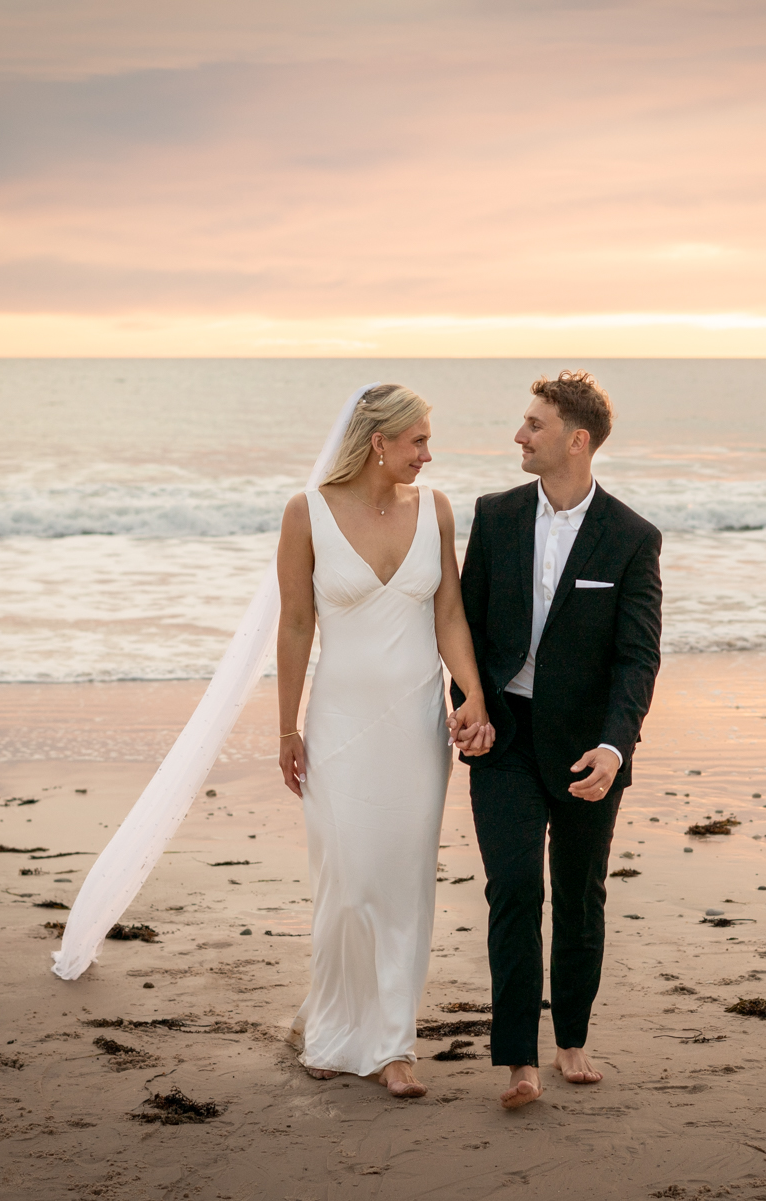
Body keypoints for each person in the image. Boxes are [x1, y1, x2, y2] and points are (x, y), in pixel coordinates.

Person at [450, 369, 663, 1109]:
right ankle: (518, 1059)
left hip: (587, 749)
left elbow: (638, 656)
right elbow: (464, 629)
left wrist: (615, 746)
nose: (519, 434)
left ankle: (571, 1036)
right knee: (513, 886)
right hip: (503, 736)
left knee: (579, 894)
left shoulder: (633, 537)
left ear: (577, 439)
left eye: (534, 424)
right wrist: (468, 706)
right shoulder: (496, 514)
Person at [275, 384, 494, 1099]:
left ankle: (394, 1044)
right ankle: (337, 1034)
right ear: (378, 441)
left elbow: (451, 615)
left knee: (403, 883)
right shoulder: (306, 513)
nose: (429, 455)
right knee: (346, 882)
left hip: (415, 726)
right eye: (418, 441)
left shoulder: (434, 509)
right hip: (338, 725)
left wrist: (474, 695)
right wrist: (286, 726)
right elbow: (296, 625)